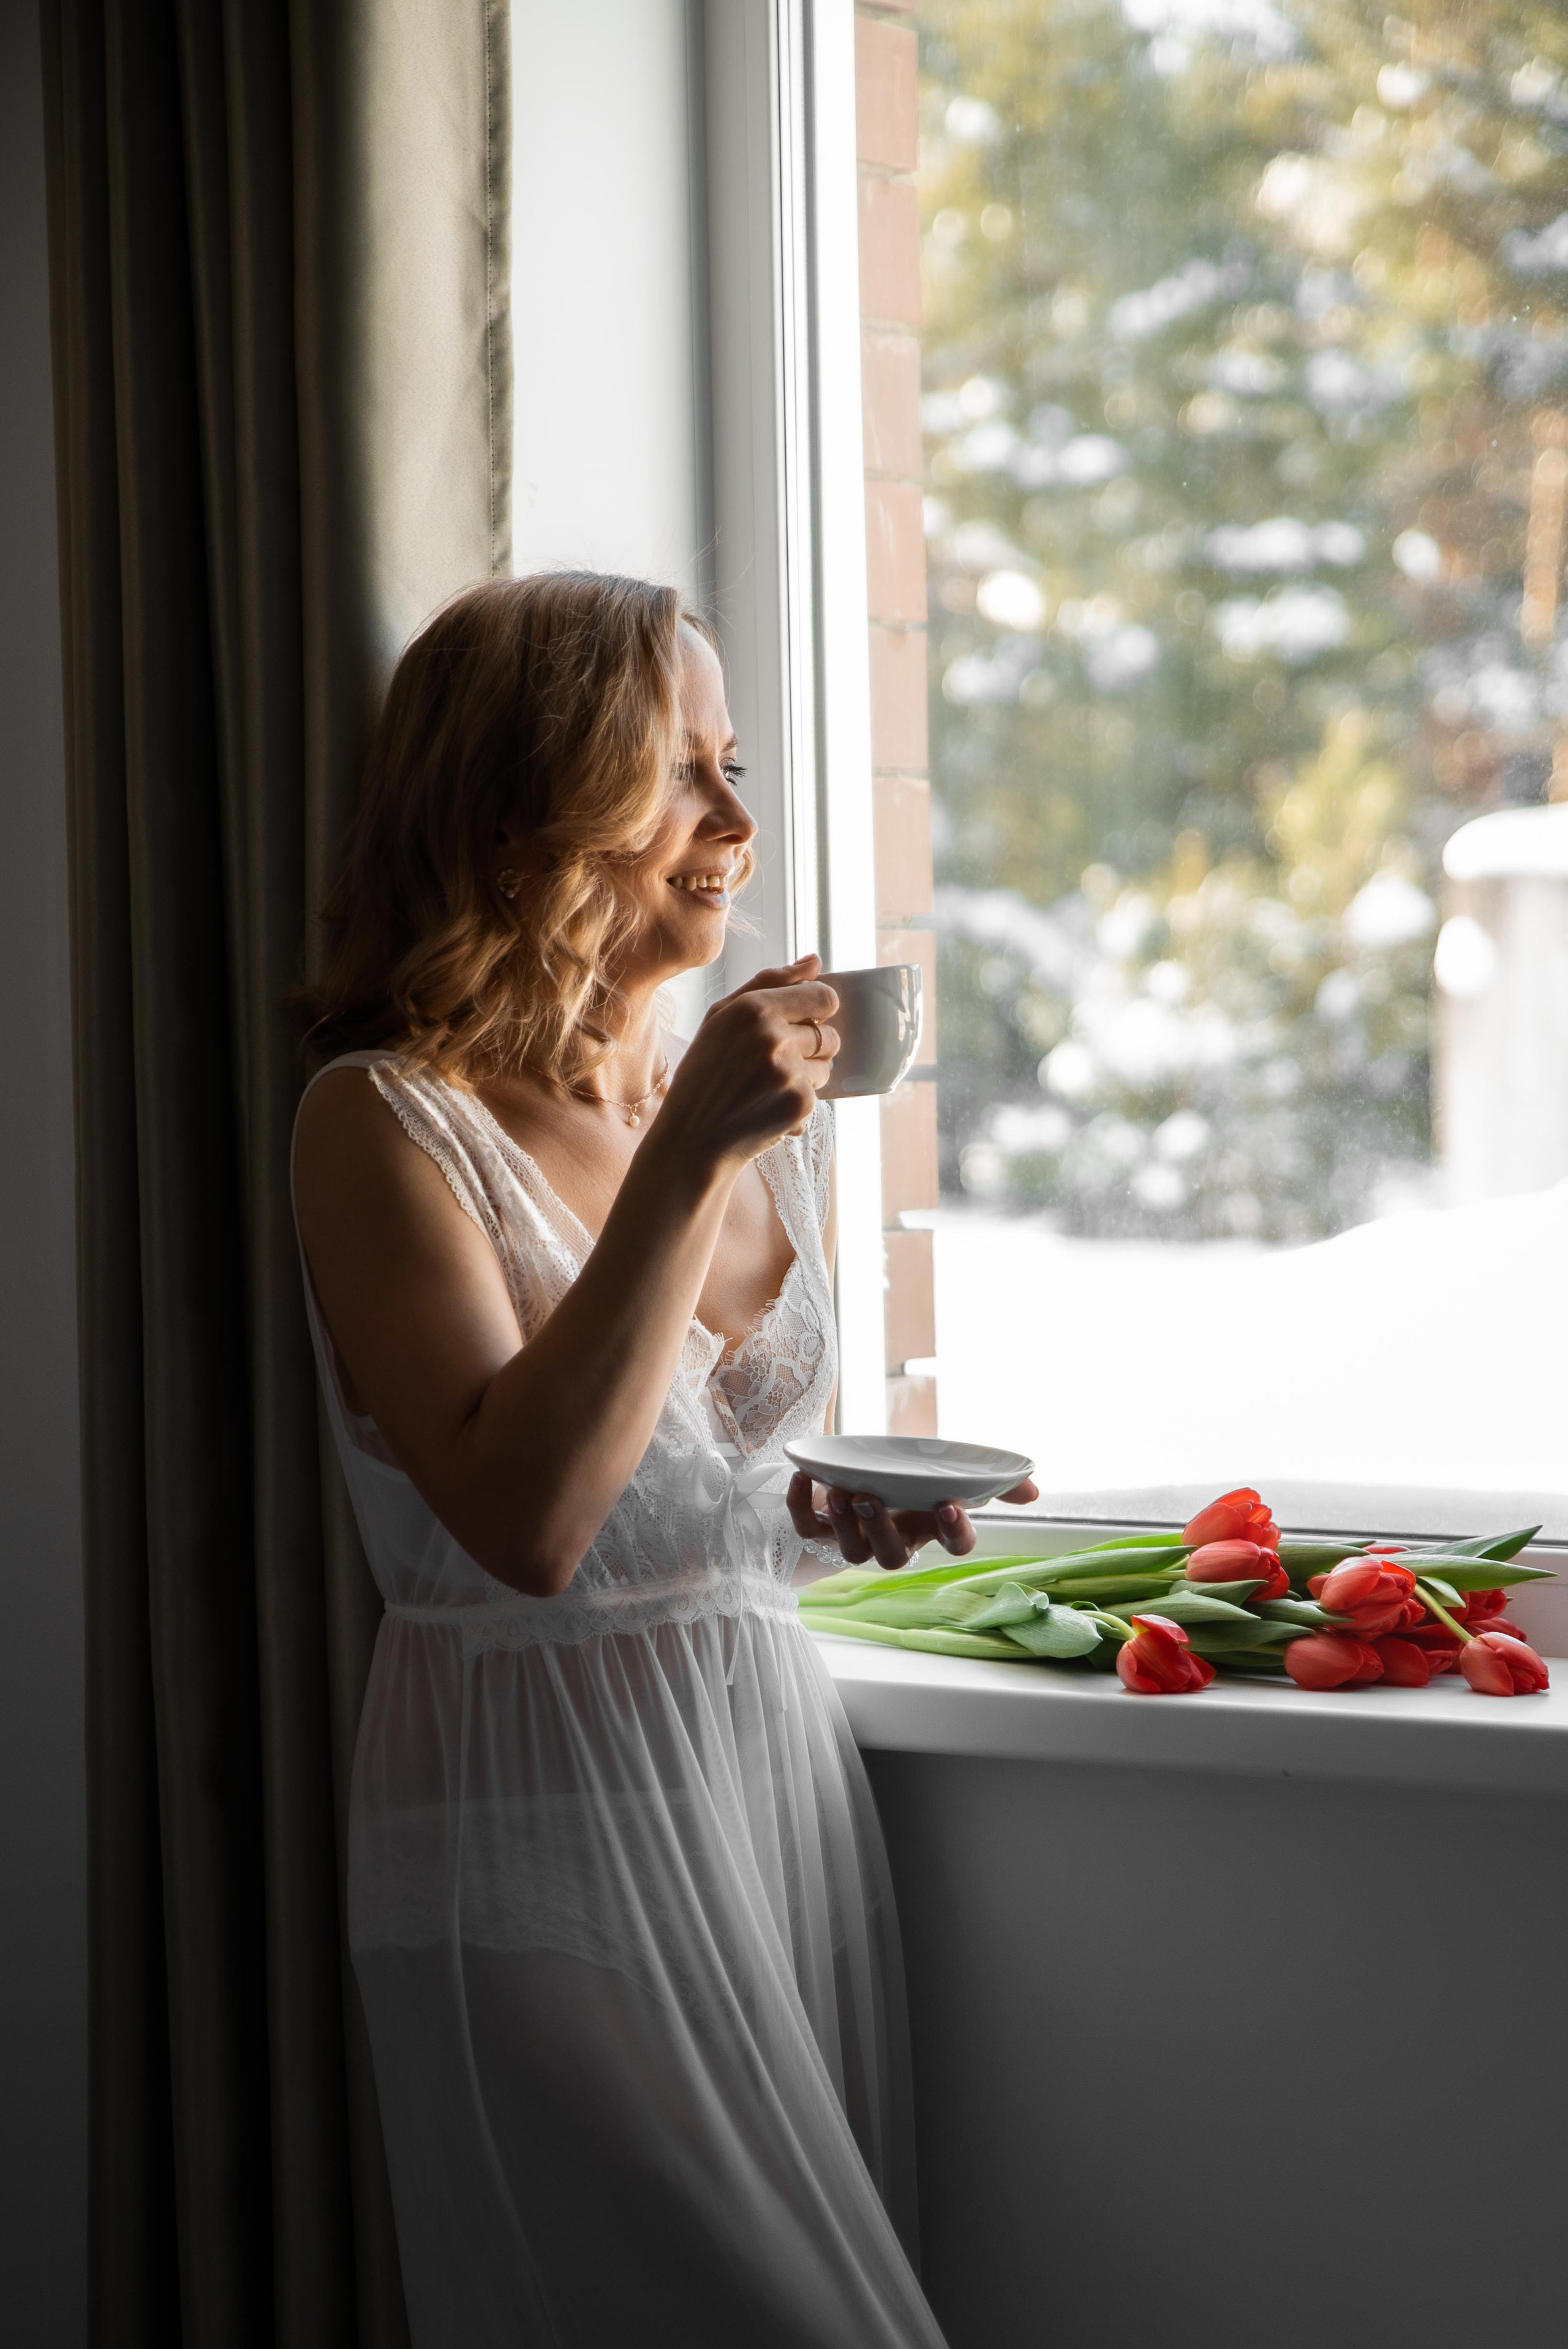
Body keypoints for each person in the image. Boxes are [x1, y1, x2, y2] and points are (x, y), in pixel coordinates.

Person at [291, 572, 1035, 2347]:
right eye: (681, 772)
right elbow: (530, 1520)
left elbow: (666, 1477)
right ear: (521, 805)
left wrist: (812, 1514)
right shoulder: (383, 1121)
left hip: (763, 1792)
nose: (740, 821)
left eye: (734, 760)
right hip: (531, 1826)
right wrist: (693, 1149)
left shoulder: (736, 1126)